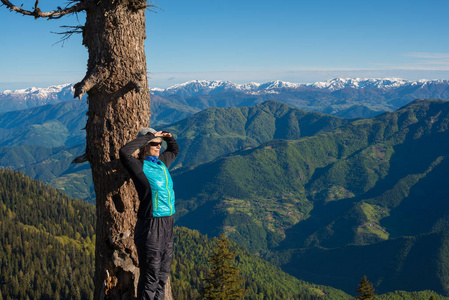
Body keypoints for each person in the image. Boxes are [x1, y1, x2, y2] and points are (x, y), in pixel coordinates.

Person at [119, 127, 179, 300]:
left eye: (160, 144)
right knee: (150, 275)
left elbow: (174, 149)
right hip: (150, 225)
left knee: (163, 274)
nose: (158, 146)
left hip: (168, 222)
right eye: (154, 144)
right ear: (145, 145)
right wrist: (150, 136)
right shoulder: (139, 166)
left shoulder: (161, 163)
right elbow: (124, 152)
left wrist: (169, 137)